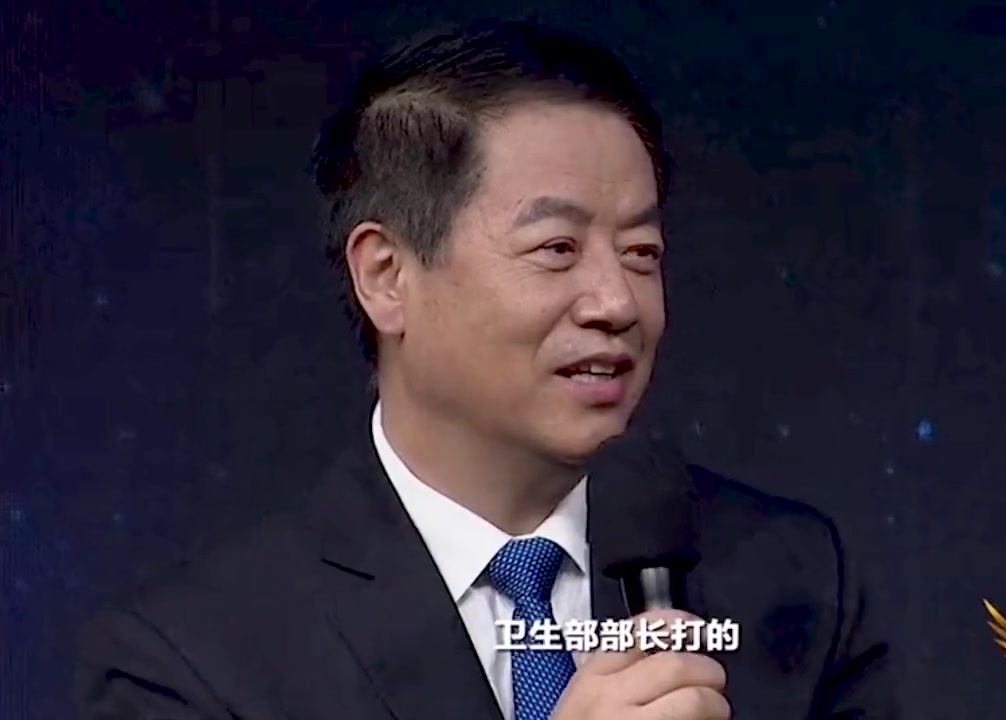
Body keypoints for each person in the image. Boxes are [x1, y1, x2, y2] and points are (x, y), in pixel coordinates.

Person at [76, 19, 897, 720]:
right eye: (557, 249)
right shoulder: (194, 661)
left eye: (642, 252)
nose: (616, 301)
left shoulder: (792, 580)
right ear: (386, 276)